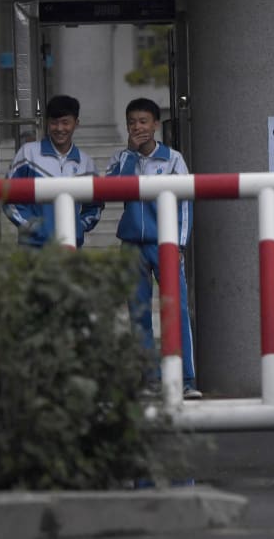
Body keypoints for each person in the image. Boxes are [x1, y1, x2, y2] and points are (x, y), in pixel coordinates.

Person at [106, 98, 200, 400]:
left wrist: (180, 243)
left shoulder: (173, 159)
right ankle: (150, 380)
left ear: (156, 124)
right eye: (132, 121)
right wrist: (131, 156)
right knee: (138, 312)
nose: (138, 127)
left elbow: (186, 202)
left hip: (166, 243)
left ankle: (185, 379)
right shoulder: (122, 159)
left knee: (177, 310)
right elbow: (114, 188)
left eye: (144, 121)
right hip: (132, 245)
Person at [3, 95, 101, 248]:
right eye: (54, 123)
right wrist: (32, 227)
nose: (60, 128)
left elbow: (95, 205)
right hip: (33, 249)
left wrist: (78, 228)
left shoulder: (86, 163)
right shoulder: (28, 154)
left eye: (65, 123)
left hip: (71, 249)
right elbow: (8, 195)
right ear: (47, 123)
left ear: (77, 123)